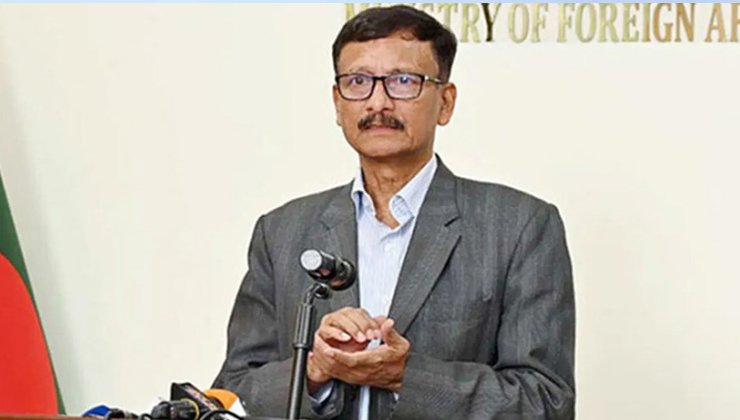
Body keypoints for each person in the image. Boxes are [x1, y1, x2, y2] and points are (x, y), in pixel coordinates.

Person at [213, 5, 575, 420]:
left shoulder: (519, 226)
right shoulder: (282, 232)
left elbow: (547, 402)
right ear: (337, 103)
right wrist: (313, 371)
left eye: (403, 81)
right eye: (358, 81)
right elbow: (231, 396)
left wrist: (407, 376)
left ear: (446, 102)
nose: (378, 102)